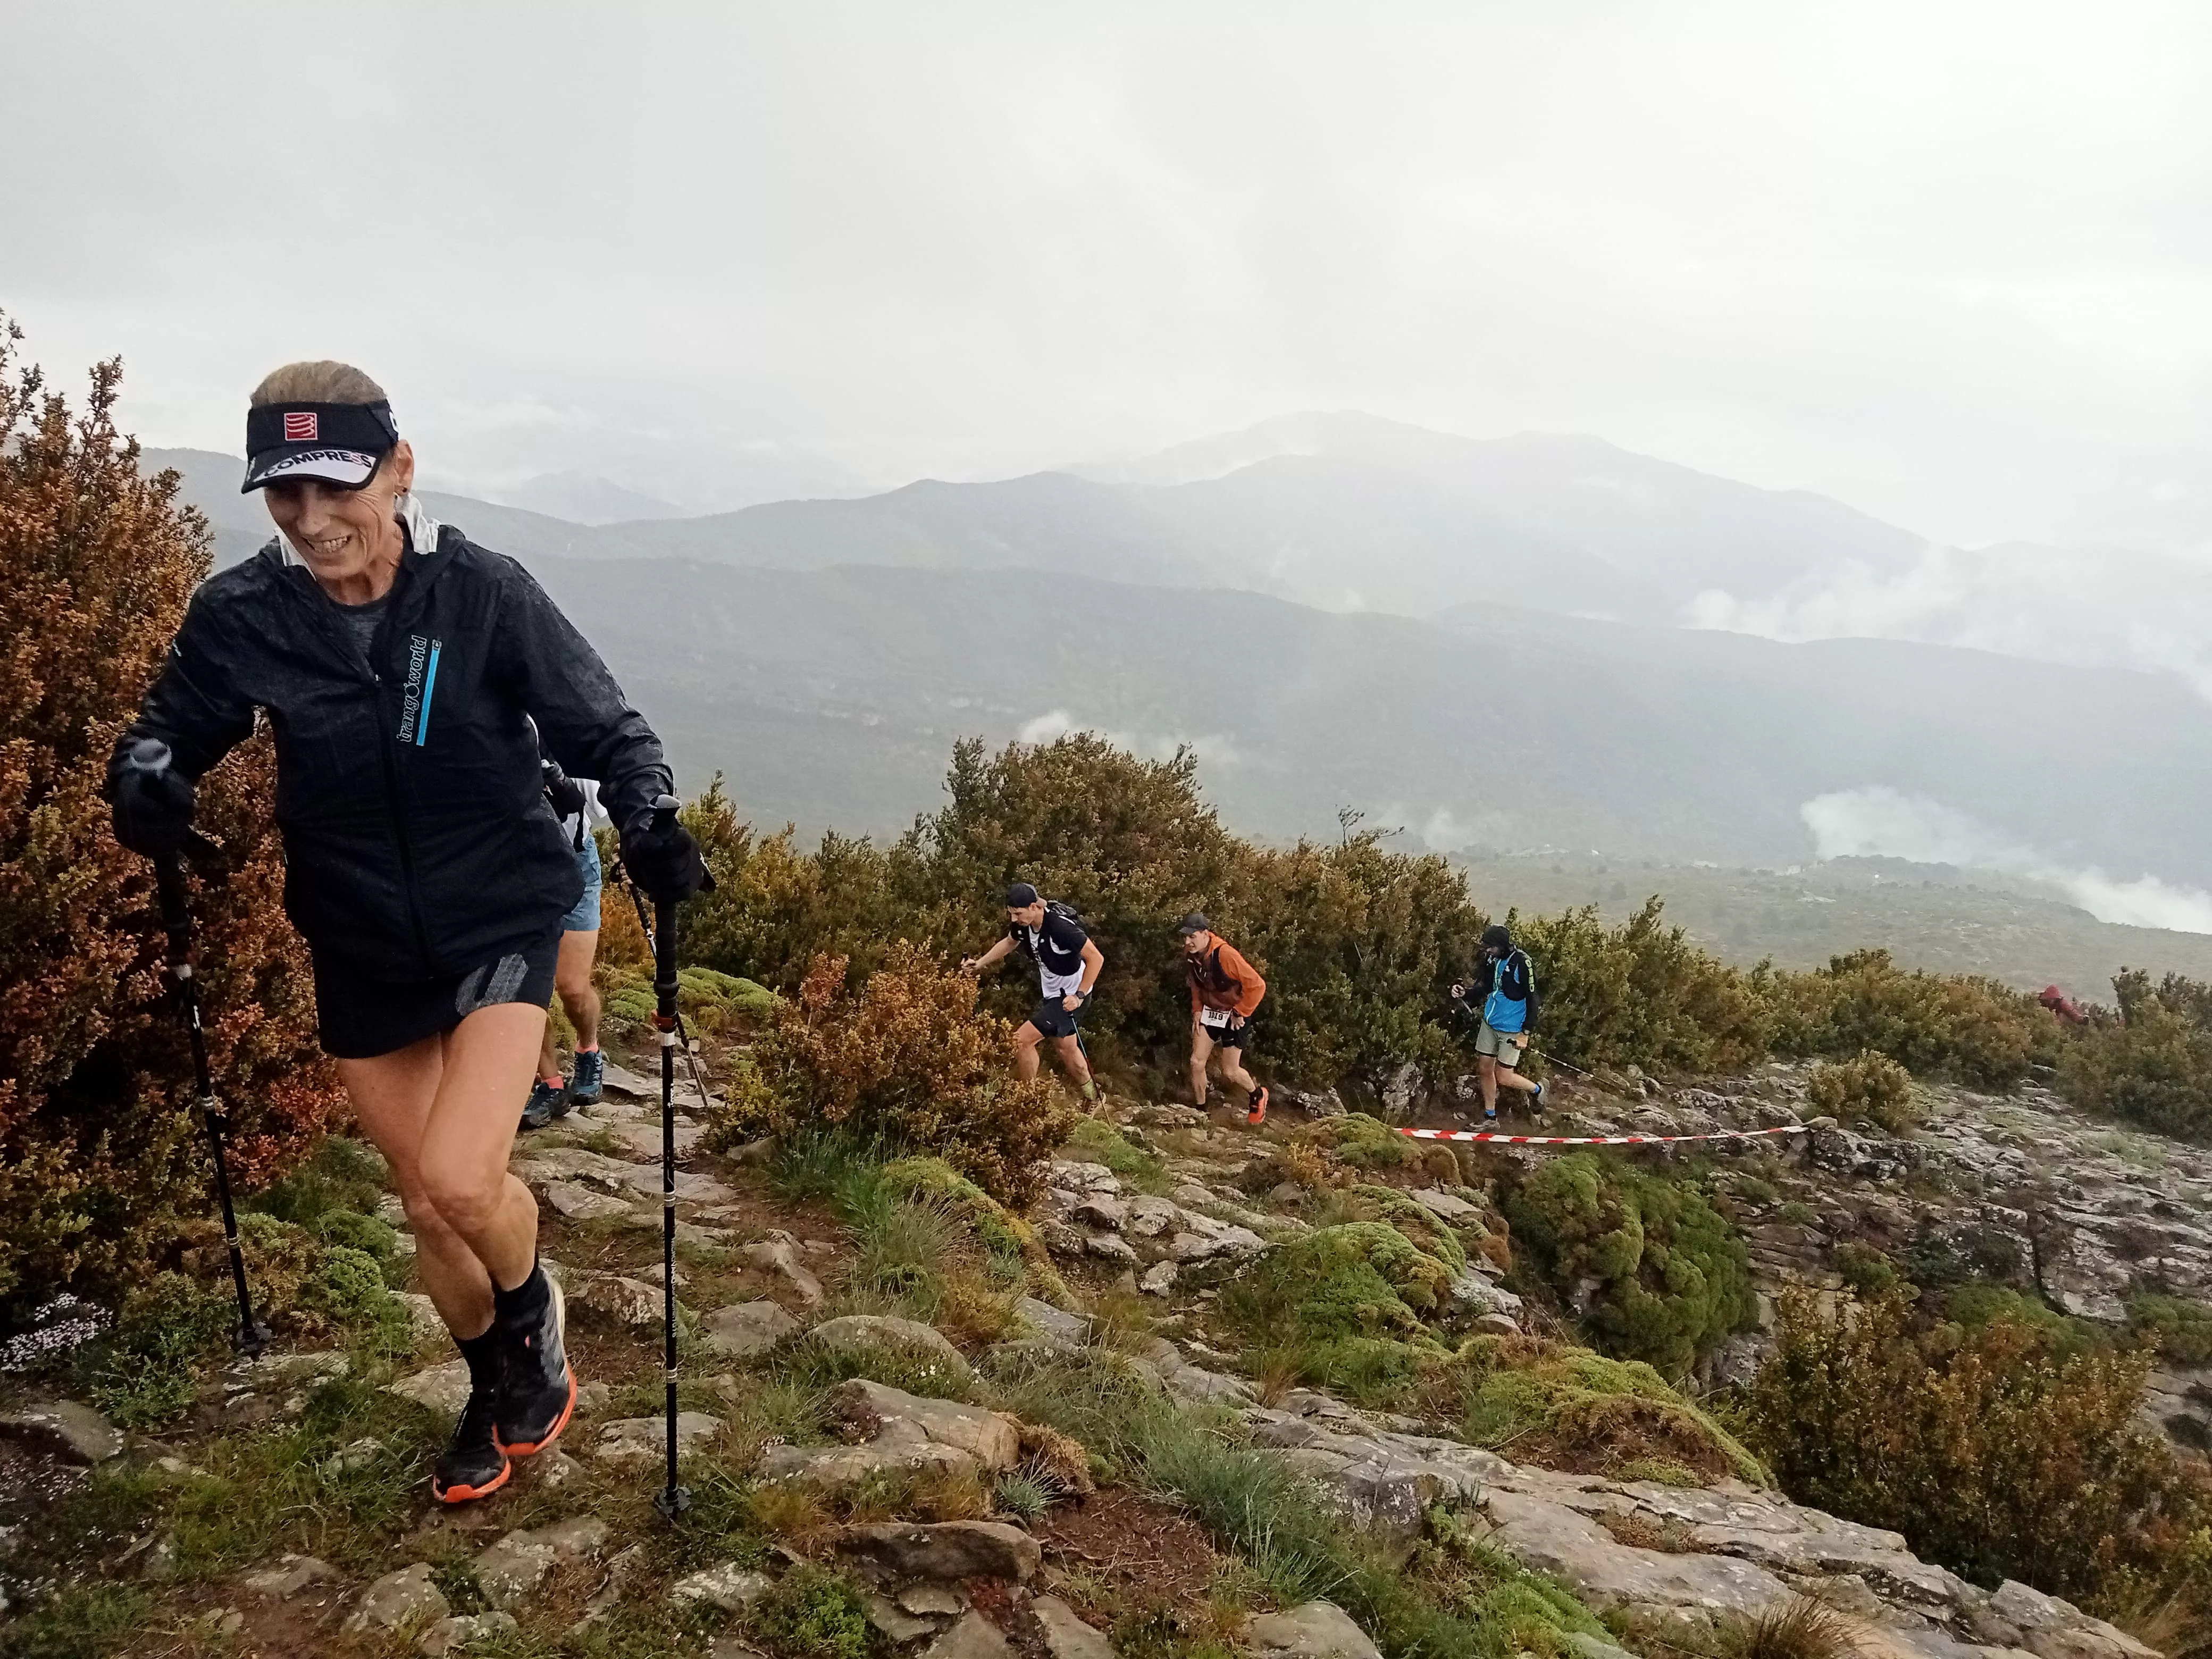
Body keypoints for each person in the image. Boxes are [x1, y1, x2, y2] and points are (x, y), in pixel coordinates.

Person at [108, 362, 709, 1506]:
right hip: (358, 929)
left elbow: (605, 725)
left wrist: (651, 816)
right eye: (284, 495)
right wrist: (144, 773)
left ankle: (533, 1315)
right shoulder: (244, 614)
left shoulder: (480, 593)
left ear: (399, 469)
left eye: (337, 486)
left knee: (461, 1174)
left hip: (498, 910)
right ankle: (492, 1383)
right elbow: (172, 724)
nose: (313, 520)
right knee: (423, 1201)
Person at [521, 741, 611, 1130]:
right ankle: (551, 1083)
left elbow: (601, 804)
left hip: (575, 864)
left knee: (572, 987)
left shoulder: (558, 739)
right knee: (523, 992)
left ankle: (589, 1049)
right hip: (514, 870)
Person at [960, 883, 1103, 1101]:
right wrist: (979, 964)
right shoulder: (1022, 925)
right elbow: (1010, 942)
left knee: (1021, 1041)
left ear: (1035, 907)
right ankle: (1094, 1098)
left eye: (1018, 914)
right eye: (1011, 914)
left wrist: (1079, 996)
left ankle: (1028, 1100)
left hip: (1071, 995)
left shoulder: (1061, 928)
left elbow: (1096, 958)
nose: (1014, 919)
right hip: (1053, 993)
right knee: (1067, 1050)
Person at [1178, 914, 1271, 1126]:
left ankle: (1257, 1094)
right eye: (1185, 937)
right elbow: (1195, 983)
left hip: (1235, 1014)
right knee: (1196, 1062)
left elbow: (1258, 985)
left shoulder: (1226, 955)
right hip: (1210, 1011)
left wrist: (1240, 1012)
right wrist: (1197, 1009)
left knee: (1230, 1071)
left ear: (1205, 934)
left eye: (1192, 936)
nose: (1187, 942)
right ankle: (1201, 1110)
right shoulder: (1191, 954)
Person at [1451, 924, 1545, 1121]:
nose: (1487, 951)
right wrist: (1465, 993)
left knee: (1504, 1076)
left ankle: (1537, 1090)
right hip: (1490, 1023)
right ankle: (1490, 1117)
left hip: (1512, 1028)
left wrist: (1525, 1033)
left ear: (1502, 945)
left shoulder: (1522, 962)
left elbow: (1533, 998)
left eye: (1491, 947)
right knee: (1485, 1069)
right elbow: (1485, 987)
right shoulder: (1491, 959)